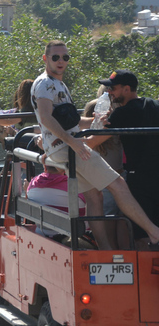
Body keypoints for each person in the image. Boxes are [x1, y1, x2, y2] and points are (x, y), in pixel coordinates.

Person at [30, 41, 159, 249]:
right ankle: (154, 233)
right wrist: (74, 142)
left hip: (65, 148)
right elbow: (45, 118)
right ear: (46, 59)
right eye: (55, 57)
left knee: (94, 196)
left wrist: (96, 120)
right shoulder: (45, 83)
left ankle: (105, 251)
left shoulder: (58, 84)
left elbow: (71, 122)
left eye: (65, 57)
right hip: (69, 149)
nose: (61, 61)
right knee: (119, 185)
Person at [87, 70, 159, 250]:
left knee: (142, 236)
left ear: (127, 89)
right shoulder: (154, 105)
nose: (109, 92)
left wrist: (59, 146)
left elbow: (92, 143)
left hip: (140, 180)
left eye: (113, 88)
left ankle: (145, 276)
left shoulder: (122, 113)